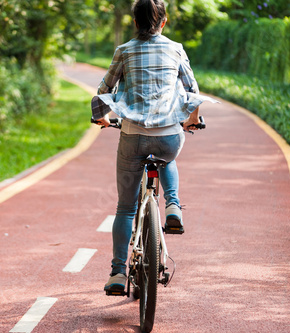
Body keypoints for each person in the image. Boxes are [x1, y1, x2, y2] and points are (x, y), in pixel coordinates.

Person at [91, 0, 217, 293]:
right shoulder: (176, 49)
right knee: (167, 155)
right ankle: (172, 204)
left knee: (124, 209)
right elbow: (191, 91)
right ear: (165, 21)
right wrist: (192, 120)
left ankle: (118, 274)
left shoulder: (124, 50)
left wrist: (101, 118)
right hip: (169, 136)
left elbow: (103, 91)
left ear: (135, 22)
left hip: (133, 135)